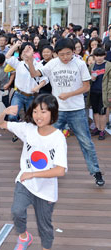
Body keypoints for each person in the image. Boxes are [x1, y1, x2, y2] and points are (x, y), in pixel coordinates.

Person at [24, 38, 105, 186]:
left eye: (68, 54)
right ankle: (43, 169)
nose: (65, 57)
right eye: (62, 54)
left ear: (74, 51)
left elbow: (86, 87)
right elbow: (35, 74)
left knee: (86, 142)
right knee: (46, 140)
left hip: (77, 110)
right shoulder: (52, 64)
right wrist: (29, 61)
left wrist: (69, 94)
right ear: (56, 54)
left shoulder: (80, 64)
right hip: (57, 110)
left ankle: (96, 171)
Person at [0, 94, 67, 250]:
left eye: (43, 112)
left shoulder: (58, 138)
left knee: (45, 227)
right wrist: (5, 110)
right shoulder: (28, 129)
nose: (38, 116)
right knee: (17, 211)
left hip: (45, 190)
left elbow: (60, 170)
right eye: (35, 111)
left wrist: (33, 174)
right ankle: (24, 237)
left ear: (53, 113)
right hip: (26, 183)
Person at [5, 40, 48, 142]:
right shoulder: (19, 63)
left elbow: (45, 80)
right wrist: (15, 45)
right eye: (24, 51)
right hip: (18, 94)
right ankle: (18, 131)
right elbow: (7, 57)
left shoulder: (38, 65)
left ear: (33, 52)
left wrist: (37, 88)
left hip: (31, 96)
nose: (25, 53)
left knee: (31, 119)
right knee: (11, 116)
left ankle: (29, 137)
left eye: (28, 50)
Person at [87, 48, 110, 140]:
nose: (99, 58)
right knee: (95, 111)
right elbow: (87, 79)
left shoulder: (108, 66)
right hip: (93, 92)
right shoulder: (91, 66)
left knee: (102, 112)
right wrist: (91, 79)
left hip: (103, 92)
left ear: (104, 55)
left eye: (101, 56)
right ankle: (97, 127)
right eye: (97, 56)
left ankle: (102, 130)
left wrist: (109, 94)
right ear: (94, 56)